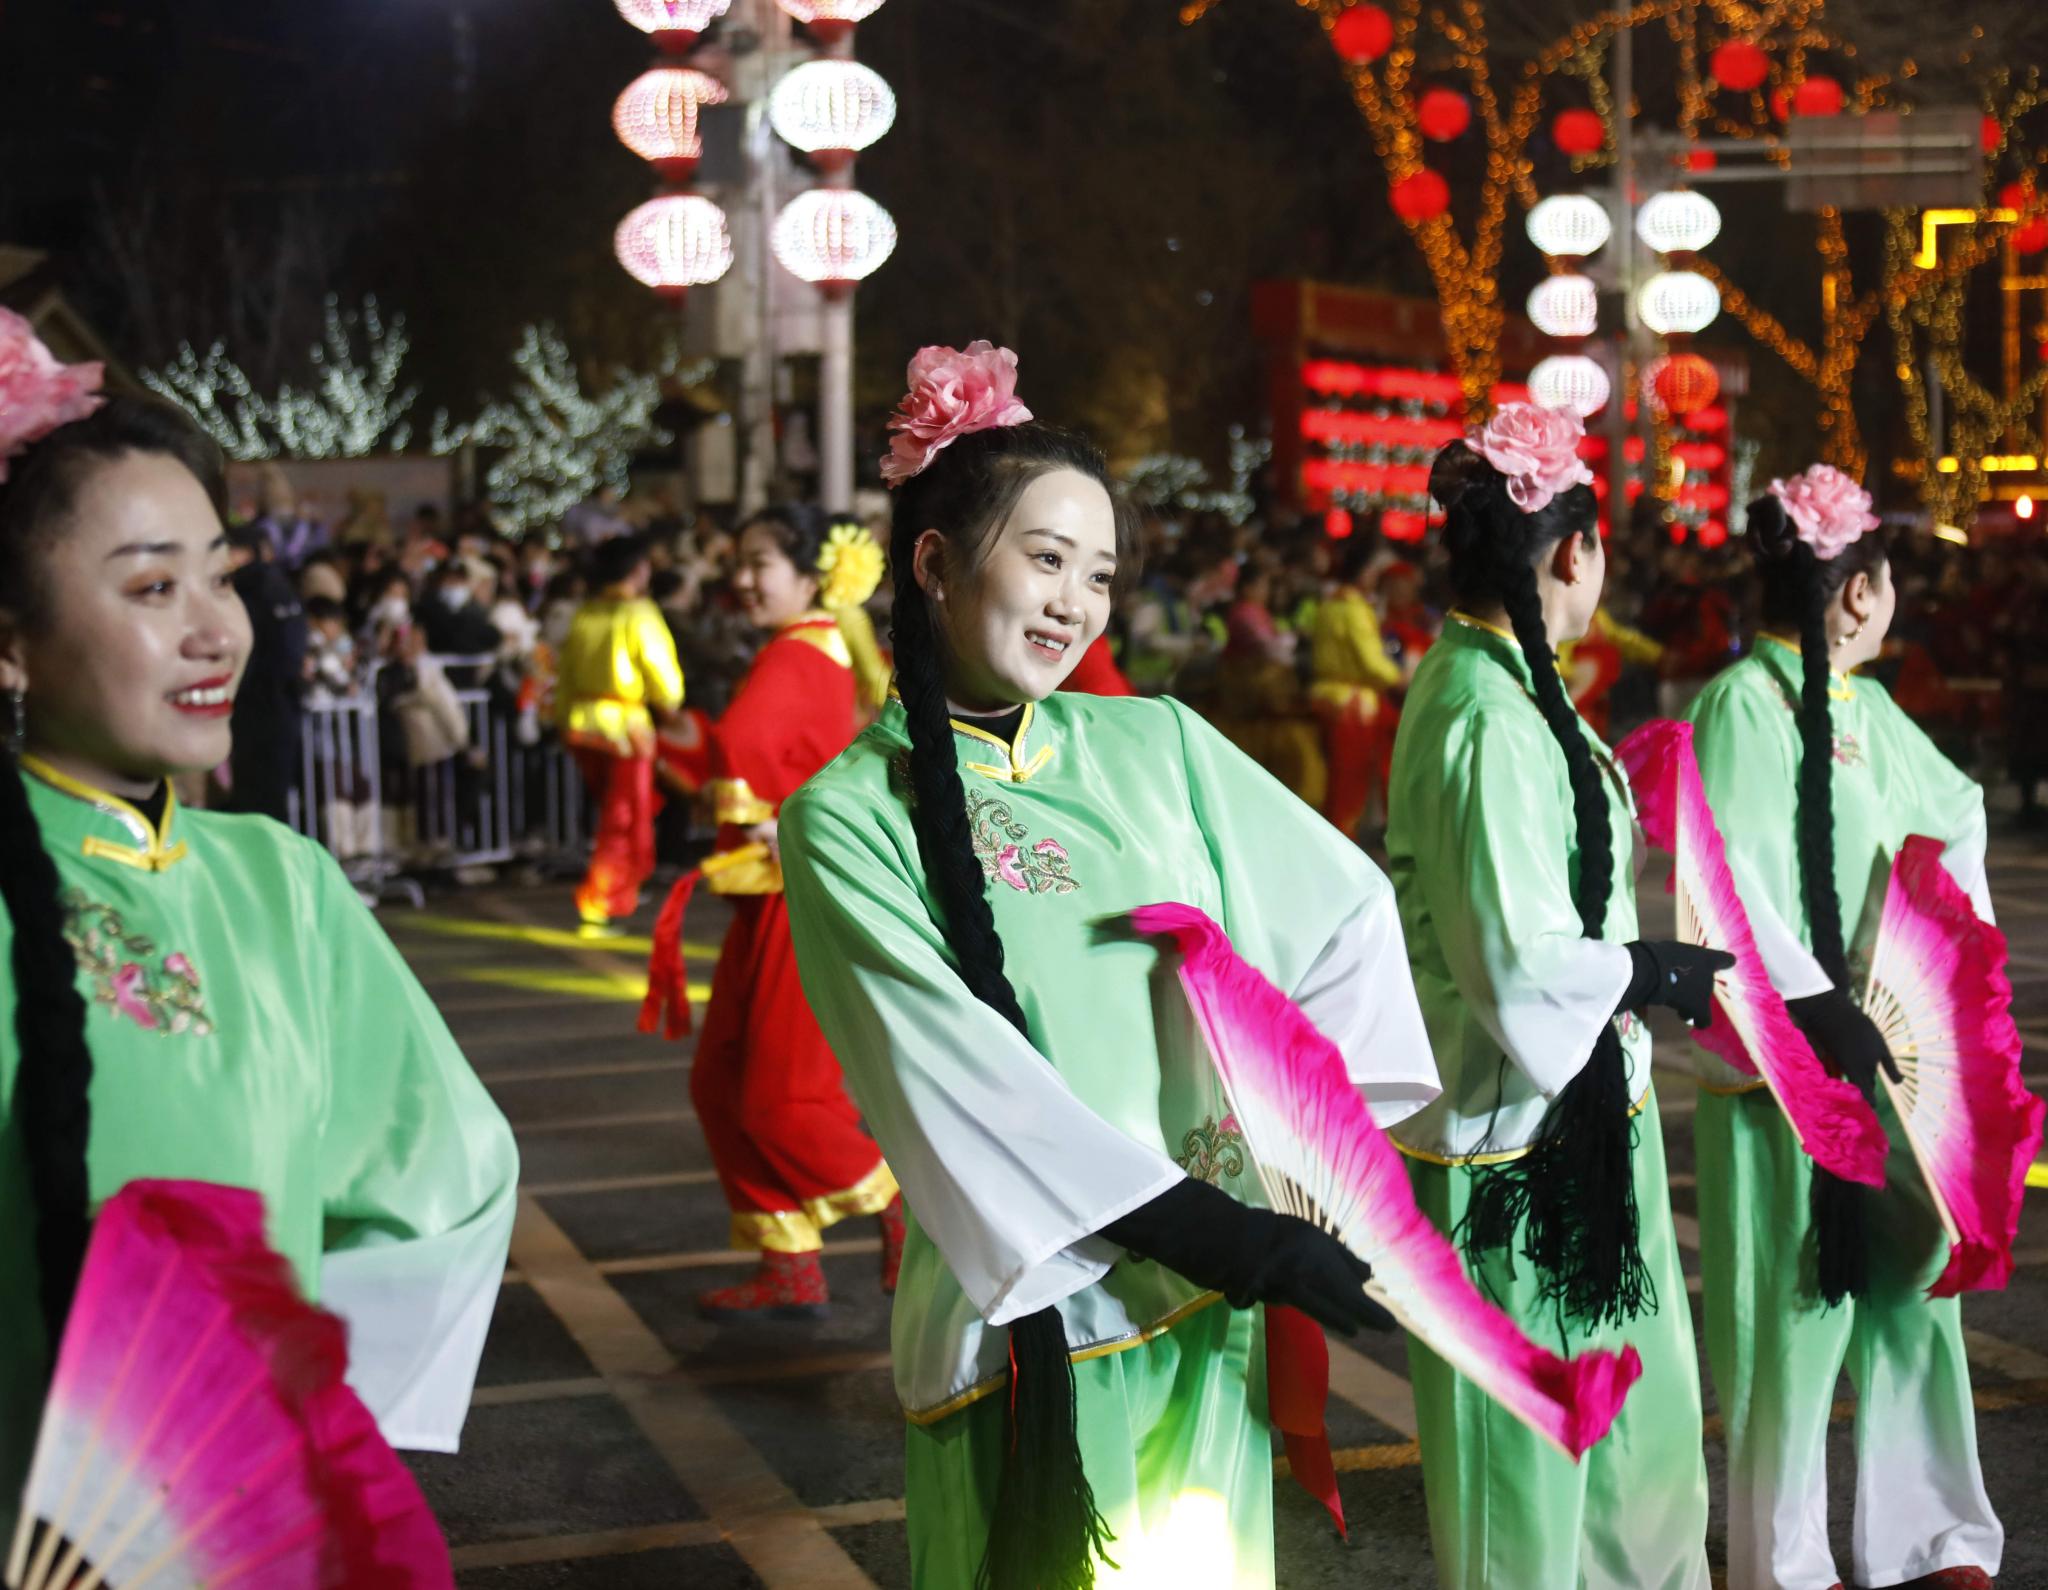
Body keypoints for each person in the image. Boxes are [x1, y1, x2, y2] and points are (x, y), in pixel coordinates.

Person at [778, 342, 1440, 1590]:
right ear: (931, 563)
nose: (1073, 604)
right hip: (1038, 1328)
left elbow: (1342, 912)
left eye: (1097, 574)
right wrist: (1211, 1231)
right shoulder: (845, 817)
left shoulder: (1156, 742)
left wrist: (1304, 1158)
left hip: (1207, 1295)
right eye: (1043, 559)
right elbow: (956, 1084)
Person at [0, 327, 517, 1517]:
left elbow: (444, 1178)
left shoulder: (279, 880)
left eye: (221, 576)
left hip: (248, 1514)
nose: (216, 630)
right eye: (149, 587)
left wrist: (302, 1425)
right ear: (9, 643)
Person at [1384, 405, 1724, 1590]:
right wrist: (1645, 969)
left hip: (1584, 1125)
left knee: (1634, 1450)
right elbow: (1514, 962)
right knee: (1520, 1488)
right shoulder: (1482, 710)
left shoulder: (1515, 696)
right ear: (1571, 552)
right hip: (1505, 1157)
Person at [1682, 466, 2003, 1590]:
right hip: (1788, 1077)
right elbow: (1714, 879)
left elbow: (1953, 815)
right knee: (1788, 1322)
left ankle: (1927, 1538)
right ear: (1857, 592)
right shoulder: (1741, 704)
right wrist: (1813, 1003)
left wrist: (1929, 972)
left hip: (1891, 1070)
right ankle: (1784, 1562)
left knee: (1915, 1296)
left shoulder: (1869, 711)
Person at [651, 505, 903, 1319]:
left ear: (809, 574)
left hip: (799, 900)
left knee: (780, 1099)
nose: (744, 577)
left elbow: (804, 771)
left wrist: (787, 814)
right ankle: (789, 1255)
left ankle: (907, 1207)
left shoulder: (802, 652)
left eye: (761, 561)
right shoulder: (806, 650)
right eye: (741, 560)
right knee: (722, 1081)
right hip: (770, 898)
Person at [554, 533, 684, 931]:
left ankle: (620, 886)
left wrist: (564, 721)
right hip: (625, 729)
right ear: (636, 570)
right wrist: (671, 706)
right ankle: (602, 900)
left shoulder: (586, 612)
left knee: (617, 813)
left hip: (583, 726)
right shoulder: (638, 612)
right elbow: (663, 678)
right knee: (622, 819)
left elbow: (567, 677)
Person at [1309, 524, 1406, 839]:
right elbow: (1370, 662)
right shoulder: (1354, 609)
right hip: (1353, 706)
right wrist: (1400, 678)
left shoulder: (1328, 604)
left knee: (1335, 779)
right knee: (1349, 782)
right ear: (1365, 573)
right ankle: (1343, 840)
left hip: (1327, 696)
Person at [223, 519, 306, 823]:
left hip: (260, 705)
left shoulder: (253, 590)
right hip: (278, 704)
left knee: (259, 796)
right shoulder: (279, 587)